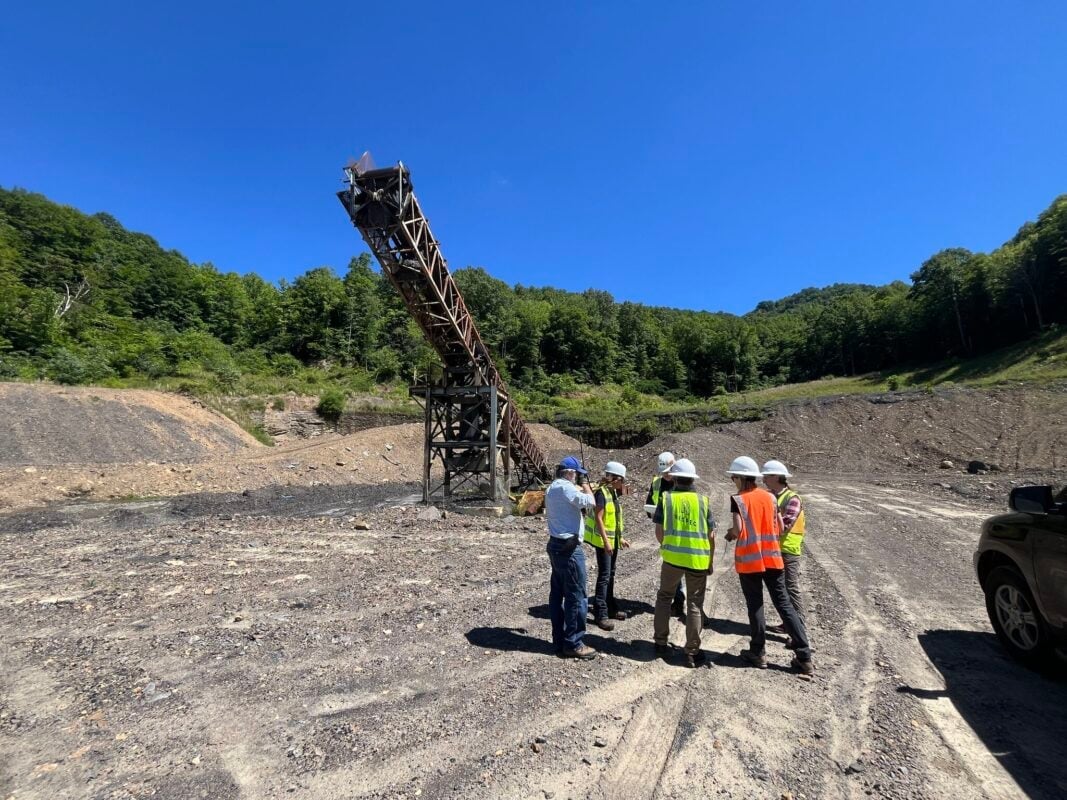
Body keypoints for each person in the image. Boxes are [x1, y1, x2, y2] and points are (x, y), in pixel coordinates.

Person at [723, 456, 814, 675]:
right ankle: (804, 655)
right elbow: (781, 526)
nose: (733, 480)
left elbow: (737, 530)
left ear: (740, 478)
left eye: (733, 477)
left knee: (756, 606)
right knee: (784, 604)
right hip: (773, 558)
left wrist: (730, 534)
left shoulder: (738, 499)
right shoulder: (771, 498)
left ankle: (758, 652)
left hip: (750, 561)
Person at [652, 458, 715, 668]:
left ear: (676, 478)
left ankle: (660, 643)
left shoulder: (666, 499)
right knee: (695, 605)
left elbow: (659, 531)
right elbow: (711, 535)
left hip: (672, 559)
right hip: (698, 559)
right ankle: (692, 652)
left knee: (664, 597)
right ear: (692, 479)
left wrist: (667, 547)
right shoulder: (703, 501)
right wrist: (710, 560)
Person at [545, 455, 597, 659]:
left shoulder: (552, 488)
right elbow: (590, 502)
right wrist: (586, 485)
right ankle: (574, 643)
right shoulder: (566, 488)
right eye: (576, 474)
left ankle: (559, 640)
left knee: (557, 594)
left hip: (556, 544)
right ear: (569, 473)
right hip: (569, 547)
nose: (577, 478)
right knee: (576, 596)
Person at [761, 460, 807, 644]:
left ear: (776, 477)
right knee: (780, 591)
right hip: (775, 550)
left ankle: (799, 630)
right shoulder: (771, 496)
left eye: (766, 475)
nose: (763, 479)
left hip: (788, 550)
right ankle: (788, 624)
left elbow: (784, 526)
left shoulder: (792, 498)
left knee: (791, 589)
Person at [586, 462, 630, 630]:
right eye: (622, 480)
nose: (623, 484)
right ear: (615, 479)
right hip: (604, 543)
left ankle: (611, 608)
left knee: (610, 574)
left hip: (613, 542)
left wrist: (621, 538)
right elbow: (599, 518)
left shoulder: (612, 493)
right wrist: (606, 542)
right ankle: (600, 613)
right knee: (604, 576)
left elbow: (614, 520)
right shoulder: (602, 494)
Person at [646, 451, 686, 617]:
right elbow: (649, 504)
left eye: (669, 471)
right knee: (672, 569)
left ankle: (681, 603)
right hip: (664, 531)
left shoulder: (682, 482)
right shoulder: (656, 483)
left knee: (680, 569)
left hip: (681, 532)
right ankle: (677, 603)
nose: (667, 475)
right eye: (664, 472)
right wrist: (653, 512)